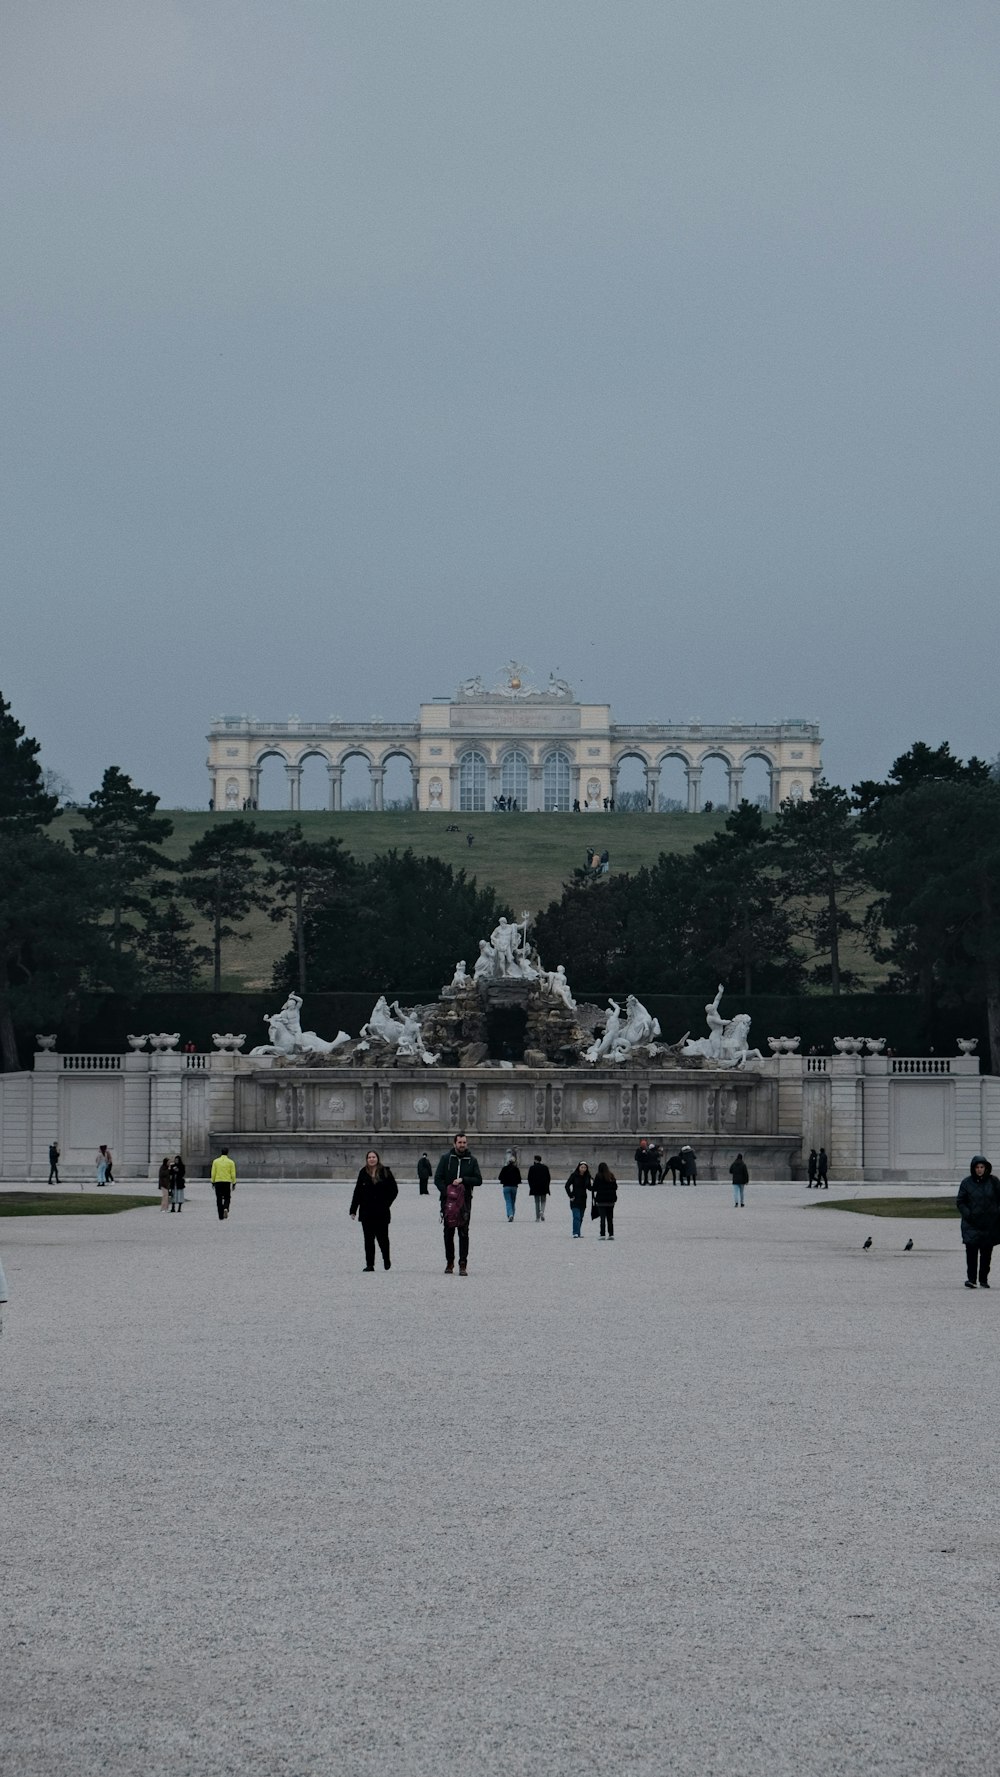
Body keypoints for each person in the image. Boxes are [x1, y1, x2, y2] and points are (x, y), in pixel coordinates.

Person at [434, 1133, 482, 1276]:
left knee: (463, 1233)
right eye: (460, 1142)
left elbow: (479, 1180)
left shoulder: (472, 1160)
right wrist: (446, 1192)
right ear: (454, 1143)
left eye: (464, 1142)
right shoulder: (445, 1159)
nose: (462, 1145)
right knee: (448, 1233)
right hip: (448, 1202)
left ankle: (463, 1263)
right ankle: (450, 1262)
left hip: (465, 1203)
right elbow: (437, 1178)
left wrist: (463, 1179)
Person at [350, 1149, 399, 1271]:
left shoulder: (385, 1172)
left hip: (381, 1211)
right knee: (368, 1240)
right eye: (369, 1157)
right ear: (367, 1160)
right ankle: (370, 1264)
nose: (371, 1159)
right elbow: (357, 1192)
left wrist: (386, 1203)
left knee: (383, 1239)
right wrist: (353, 1210)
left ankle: (386, 1259)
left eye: (374, 1157)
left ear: (377, 1158)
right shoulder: (363, 1172)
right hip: (366, 1211)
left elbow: (394, 1190)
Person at [957, 1155, 1000, 1290]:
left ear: (986, 1168)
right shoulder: (966, 1183)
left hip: (989, 1223)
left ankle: (983, 1279)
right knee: (971, 1252)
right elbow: (960, 1201)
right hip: (972, 1223)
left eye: (982, 1167)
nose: (979, 1170)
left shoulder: (994, 1182)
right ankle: (971, 1279)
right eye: (977, 1167)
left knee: (986, 1254)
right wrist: (967, 1213)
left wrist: (996, 1213)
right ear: (973, 1168)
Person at [565, 1162, 591, 1238]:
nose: (583, 1169)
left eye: (585, 1168)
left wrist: (597, 1187)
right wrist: (570, 1195)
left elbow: (589, 1188)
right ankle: (575, 1232)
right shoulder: (574, 1175)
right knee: (576, 1217)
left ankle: (578, 1232)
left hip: (583, 1199)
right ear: (579, 1167)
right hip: (575, 1198)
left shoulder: (587, 1176)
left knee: (581, 1217)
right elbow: (567, 1186)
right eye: (582, 1167)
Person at [592, 1162, 618, 1239]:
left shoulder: (598, 1176)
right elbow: (615, 1187)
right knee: (610, 1218)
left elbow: (595, 1188)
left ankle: (602, 1234)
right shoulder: (611, 1176)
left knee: (602, 1219)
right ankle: (611, 1234)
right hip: (610, 1201)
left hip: (601, 1200)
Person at [211, 1148, 237, 1221]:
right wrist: (234, 1182)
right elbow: (233, 1173)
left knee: (219, 1198)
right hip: (226, 1181)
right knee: (227, 1197)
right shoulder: (231, 1162)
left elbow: (213, 1172)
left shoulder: (216, 1161)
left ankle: (220, 1215)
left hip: (218, 1181)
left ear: (221, 1152)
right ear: (227, 1153)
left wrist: (212, 1181)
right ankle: (226, 1207)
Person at [499, 1149, 521, 1221]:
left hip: (506, 1186)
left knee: (508, 1201)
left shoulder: (505, 1168)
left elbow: (500, 1177)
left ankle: (510, 1214)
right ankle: (512, 1215)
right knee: (513, 1201)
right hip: (514, 1187)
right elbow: (519, 1178)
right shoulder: (516, 1169)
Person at [527, 1154, 551, 1221]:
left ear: (535, 1160)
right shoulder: (545, 1167)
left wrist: (531, 1186)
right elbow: (548, 1178)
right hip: (544, 1186)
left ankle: (537, 1218)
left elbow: (529, 1178)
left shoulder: (532, 1168)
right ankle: (542, 1211)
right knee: (543, 1201)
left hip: (535, 1187)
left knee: (537, 1202)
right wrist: (547, 1185)